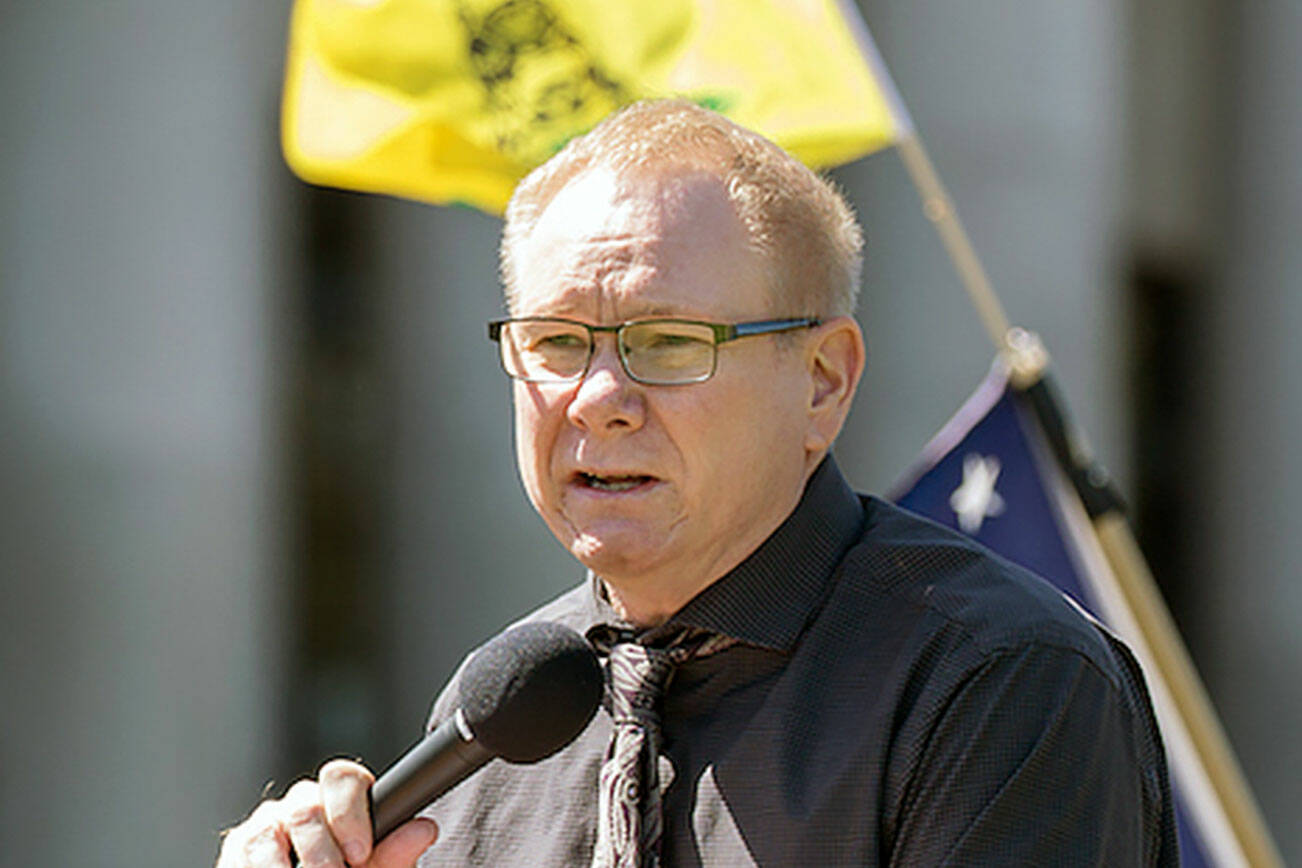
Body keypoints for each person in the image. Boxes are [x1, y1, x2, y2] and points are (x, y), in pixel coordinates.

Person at [217, 99, 1176, 867]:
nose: (596, 398)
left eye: (668, 343)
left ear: (822, 381)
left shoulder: (994, 681)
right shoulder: (499, 719)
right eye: (554, 342)